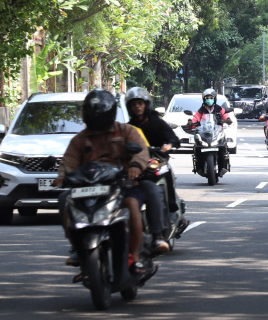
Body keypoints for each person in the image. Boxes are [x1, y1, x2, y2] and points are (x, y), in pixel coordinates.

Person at [55, 90, 151, 273]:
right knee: (65, 203)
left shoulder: (126, 131)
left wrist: (135, 166)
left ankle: (135, 256)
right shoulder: (80, 139)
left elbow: (141, 151)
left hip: (121, 186)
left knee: (132, 205)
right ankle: (76, 248)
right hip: (89, 188)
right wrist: (63, 176)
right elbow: (69, 161)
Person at [126, 86, 186, 253]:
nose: (137, 107)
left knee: (164, 175)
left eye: (140, 103)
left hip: (157, 161)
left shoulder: (157, 123)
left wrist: (168, 145)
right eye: (133, 104)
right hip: (137, 167)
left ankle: (173, 208)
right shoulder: (129, 127)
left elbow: (174, 139)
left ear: (146, 104)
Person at [187, 88, 235, 175]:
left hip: (217, 132)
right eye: (207, 98)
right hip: (205, 133)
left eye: (211, 98)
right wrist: (191, 123)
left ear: (215, 98)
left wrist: (227, 120)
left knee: (223, 146)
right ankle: (199, 165)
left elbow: (225, 115)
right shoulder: (201, 110)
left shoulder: (219, 108)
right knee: (197, 146)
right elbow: (195, 119)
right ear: (204, 99)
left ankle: (223, 165)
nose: (209, 100)